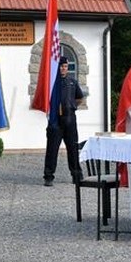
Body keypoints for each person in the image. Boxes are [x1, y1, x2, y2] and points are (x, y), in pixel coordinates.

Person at [42, 57, 84, 187]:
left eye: (65, 66)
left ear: (67, 67)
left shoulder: (72, 82)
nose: (63, 68)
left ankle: (76, 174)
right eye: (60, 66)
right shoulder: (51, 83)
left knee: (72, 148)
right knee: (52, 150)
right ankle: (48, 176)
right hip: (55, 120)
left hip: (70, 119)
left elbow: (80, 98)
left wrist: (72, 106)